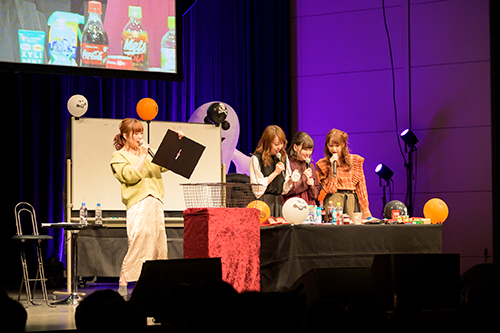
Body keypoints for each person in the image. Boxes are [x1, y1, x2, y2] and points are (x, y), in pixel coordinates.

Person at [110, 118, 184, 299]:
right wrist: (142, 155)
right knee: (138, 243)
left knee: (158, 245)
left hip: (156, 202)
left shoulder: (149, 153)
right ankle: (123, 283)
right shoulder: (118, 156)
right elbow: (130, 176)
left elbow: (165, 164)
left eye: (141, 132)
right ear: (125, 135)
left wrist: (177, 145)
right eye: (135, 133)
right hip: (138, 203)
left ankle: (155, 288)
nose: (139, 137)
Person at [316, 128, 372, 219]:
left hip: (351, 200)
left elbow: (361, 187)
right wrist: (331, 167)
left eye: (337, 146)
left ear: (343, 145)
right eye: (331, 146)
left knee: (351, 231)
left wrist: (365, 210)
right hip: (333, 200)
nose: (334, 149)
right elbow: (330, 189)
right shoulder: (323, 164)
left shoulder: (355, 161)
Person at [249, 125, 293, 217]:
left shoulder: (283, 157)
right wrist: (275, 173)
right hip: (263, 202)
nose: (279, 147)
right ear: (267, 143)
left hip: (278, 202)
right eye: (276, 144)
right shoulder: (256, 158)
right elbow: (257, 189)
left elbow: (284, 189)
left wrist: (291, 180)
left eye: (281, 143)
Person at [283, 131, 321, 205]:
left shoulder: (310, 165)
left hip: (309, 205)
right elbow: (287, 191)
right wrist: (304, 177)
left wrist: (312, 186)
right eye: (305, 149)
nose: (308, 153)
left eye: (310, 150)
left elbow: (316, 194)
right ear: (295, 147)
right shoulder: (288, 164)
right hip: (293, 205)